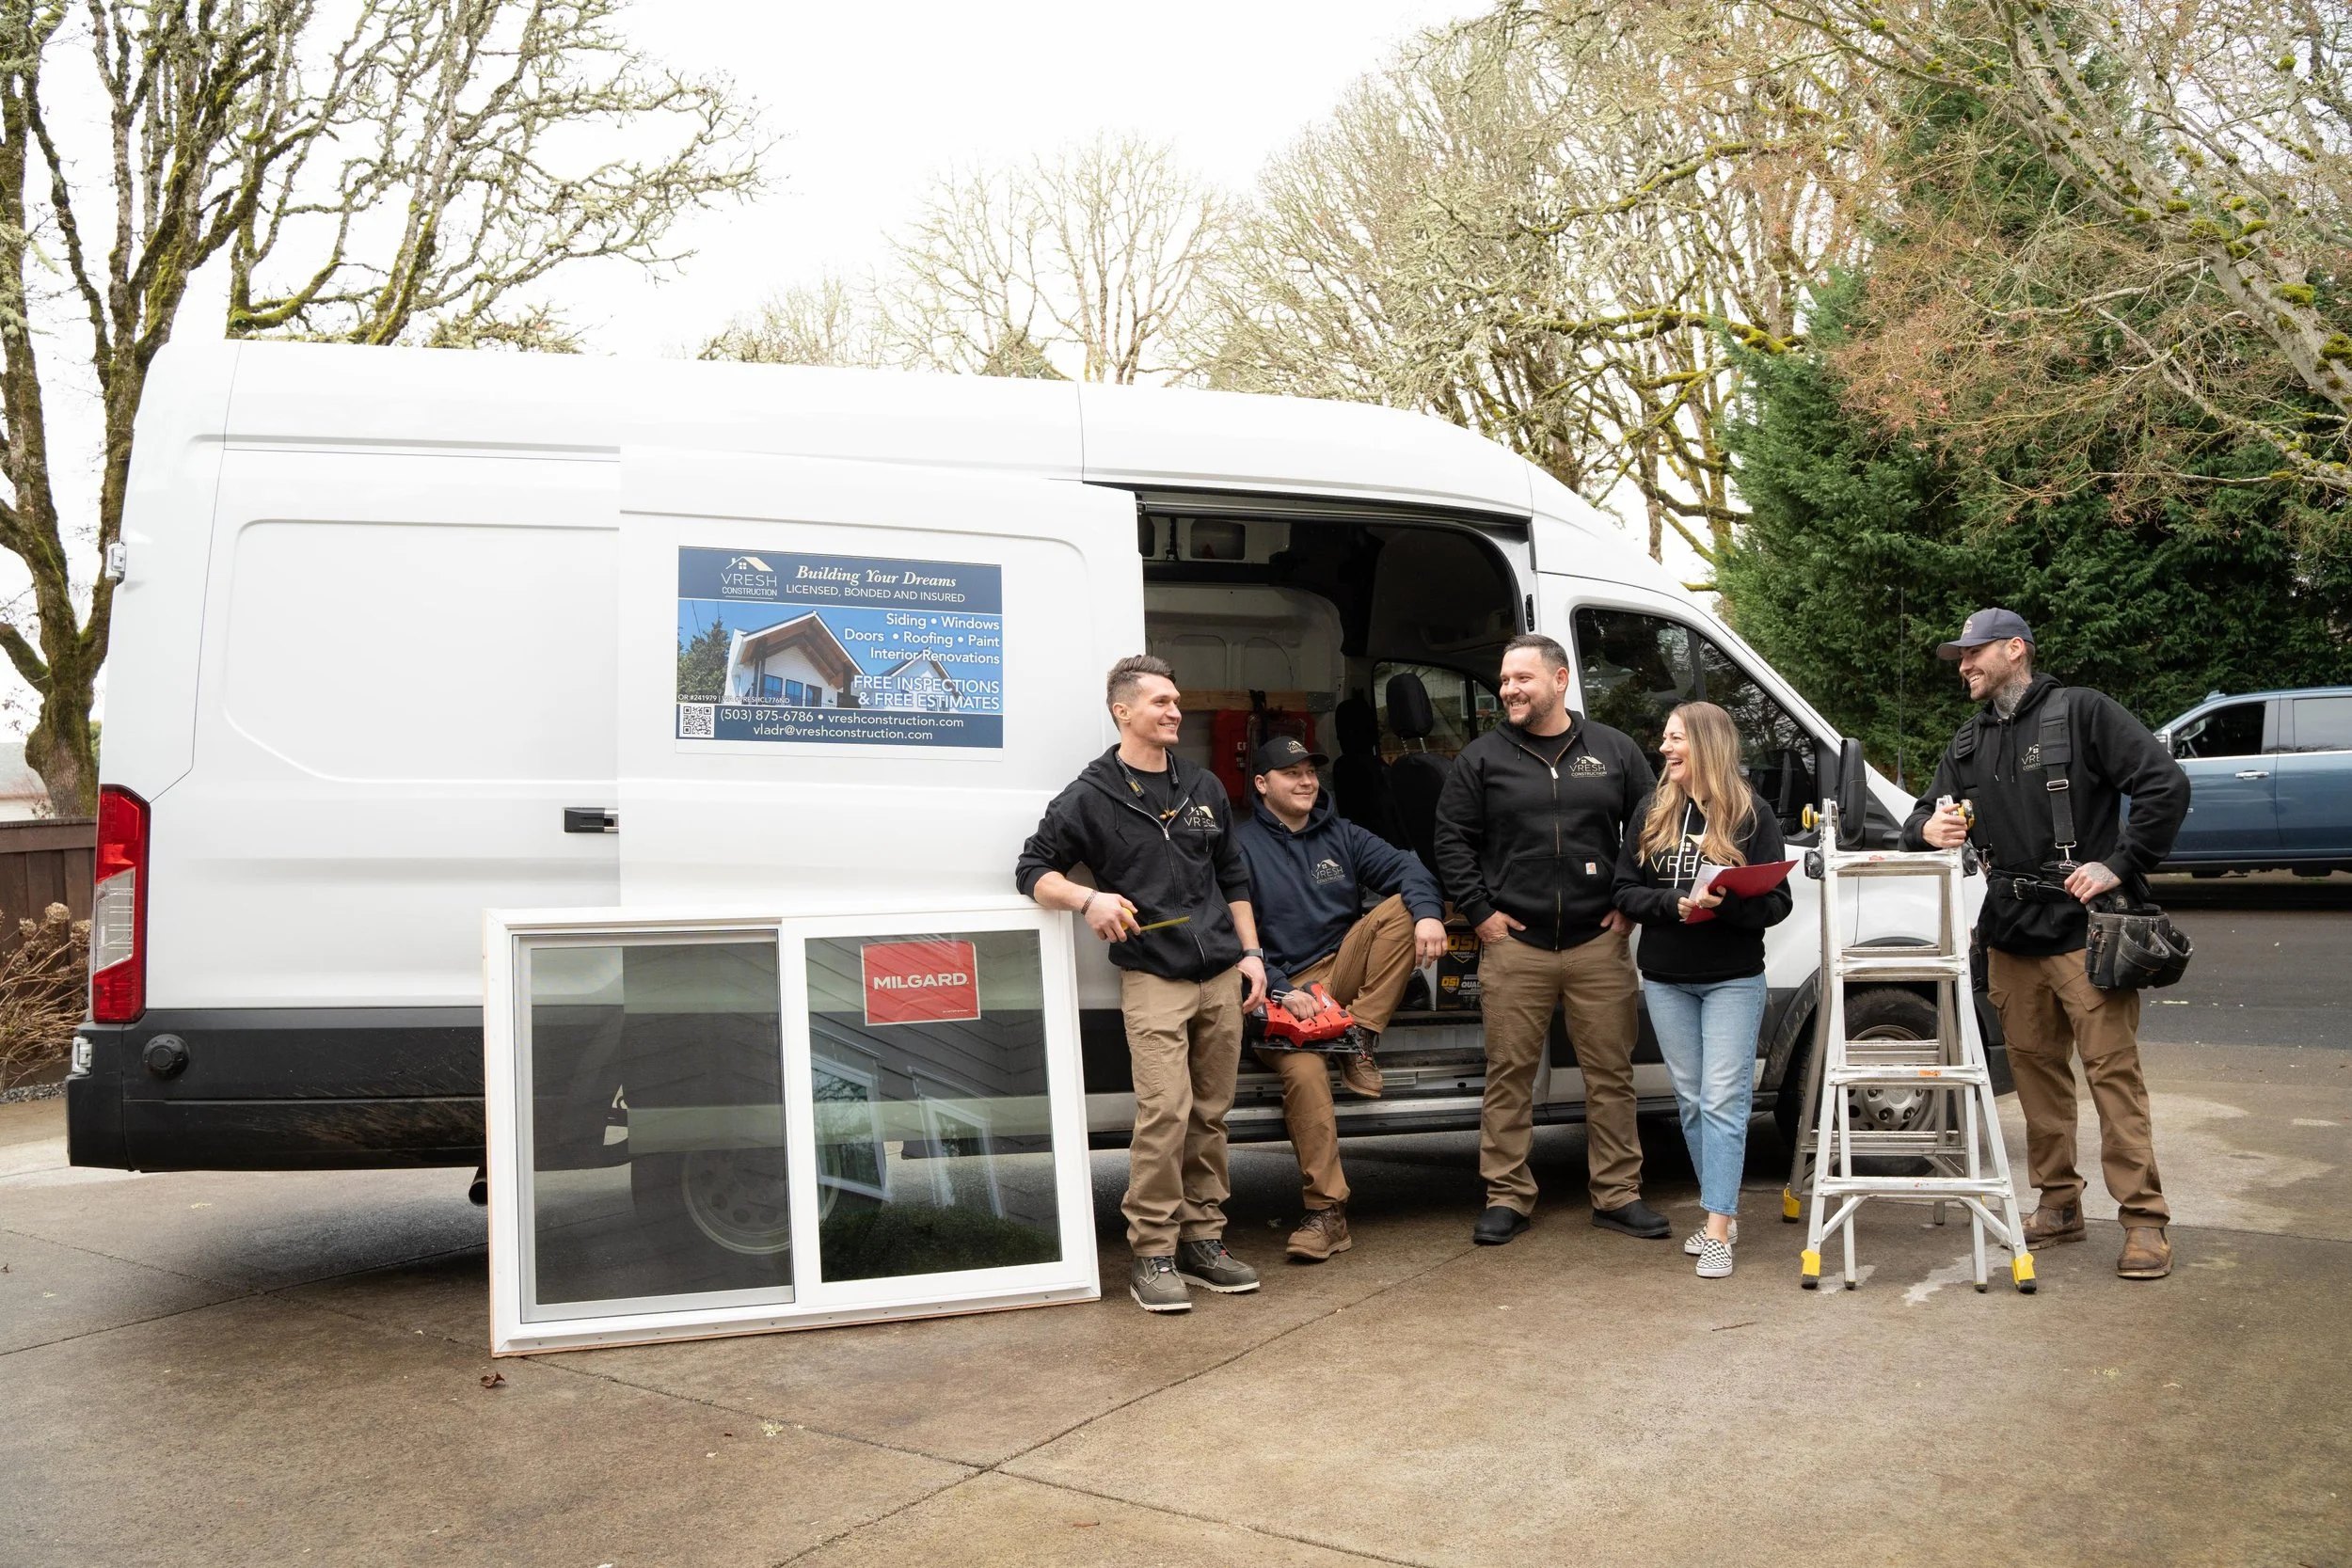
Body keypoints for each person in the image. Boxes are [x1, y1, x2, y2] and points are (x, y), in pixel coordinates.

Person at [1905, 609, 2190, 1280]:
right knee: (2036, 1079)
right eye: (1960, 657)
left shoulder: (2083, 712)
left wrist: (2120, 863)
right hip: (2009, 933)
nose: (1964, 666)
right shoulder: (1968, 742)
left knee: (2111, 1077)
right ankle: (2059, 1203)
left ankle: (2144, 1219)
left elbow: (2164, 785)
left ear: (2016, 649)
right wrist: (1928, 829)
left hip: (2084, 933)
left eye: (1975, 653)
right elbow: (1921, 811)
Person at [1015, 655, 1271, 1313]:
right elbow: (1032, 868)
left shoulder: (1204, 787)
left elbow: (1233, 876)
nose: (1174, 711)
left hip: (1220, 973)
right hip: (1153, 977)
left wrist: (1251, 954)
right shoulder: (1090, 795)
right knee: (1165, 1113)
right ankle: (1152, 1251)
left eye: (1176, 700)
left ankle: (1204, 1239)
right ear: (1122, 711)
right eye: (1160, 701)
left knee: (1211, 1114)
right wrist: (1087, 900)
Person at [1432, 632, 1663, 1246]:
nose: (1508, 689)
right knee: (1508, 1074)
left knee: (1610, 1073)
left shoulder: (1613, 750)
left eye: (1521, 679)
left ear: (1560, 680)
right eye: (1505, 679)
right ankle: (1507, 1194)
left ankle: (1617, 1193)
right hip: (1516, 943)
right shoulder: (1481, 758)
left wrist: (1629, 902)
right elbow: (1451, 840)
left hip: (1598, 942)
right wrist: (1480, 913)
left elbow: (1651, 827)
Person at [1231, 735, 1450, 1261]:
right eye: (1291, 773)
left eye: (1310, 771)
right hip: (1279, 988)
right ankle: (1328, 1212)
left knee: (1402, 906)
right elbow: (1232, 938)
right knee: (1304, 1075)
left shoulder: (1343, 834)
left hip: (1341, 974)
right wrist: (1285, 988)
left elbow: (1410, 870)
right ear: (1262, 785)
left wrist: (1428, 913)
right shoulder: (1238, 847)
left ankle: (1360, 1035)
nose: (1307, 782)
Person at [1612, 702, 1792, 1279]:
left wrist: (1729, 901)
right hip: (1666, 978)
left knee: (1722, 1101)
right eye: (1664, 738)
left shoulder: (1752, 814)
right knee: (1690, 1102)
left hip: (1733, 978)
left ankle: (1717, 1226)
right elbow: (1624, 890)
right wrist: (1673, 903)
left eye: (1675, 739)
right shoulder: (1652, 808)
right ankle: (1725, 1209)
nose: (1665, 749)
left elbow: (1777, 901)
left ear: (1707, 745)